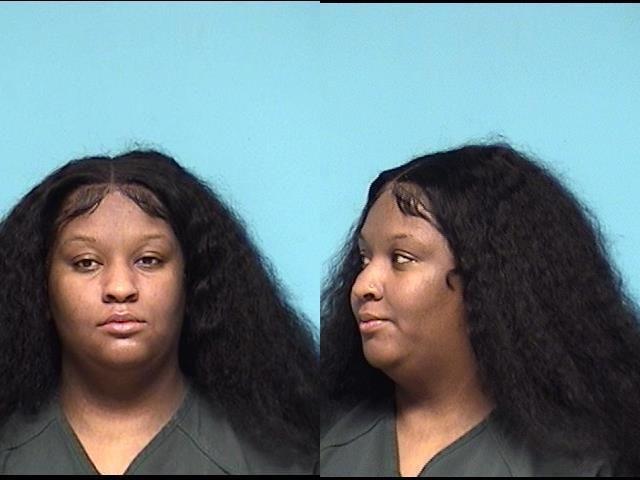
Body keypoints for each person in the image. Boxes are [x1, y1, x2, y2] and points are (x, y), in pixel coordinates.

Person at [320, 143, 640, 476]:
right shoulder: (323, 442)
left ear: (489, 280)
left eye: (402, 258)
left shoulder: (583, 464)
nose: (362, 286)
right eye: (364, 259)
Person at [0, 149, 318, 474]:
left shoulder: (280, 462)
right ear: (40, 288)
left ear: (193, 281)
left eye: (149, 260)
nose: (120, 287)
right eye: (86, 263)